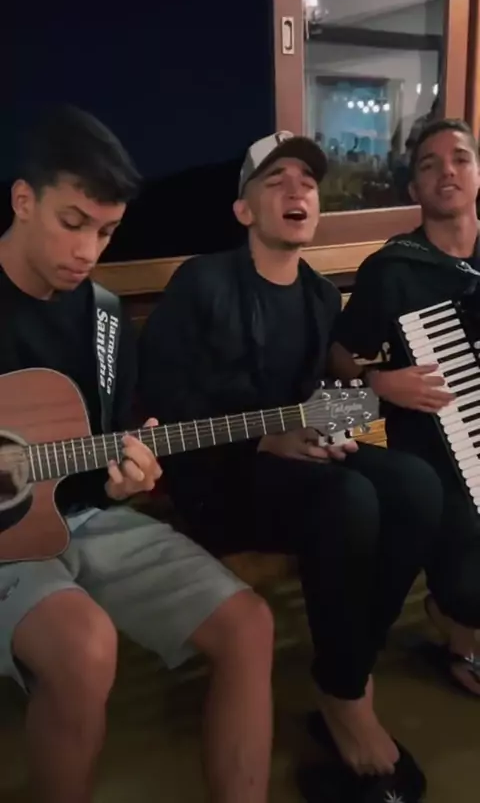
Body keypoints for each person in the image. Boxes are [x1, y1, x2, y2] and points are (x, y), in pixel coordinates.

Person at [138, 130, 443, 795]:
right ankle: (346, 696)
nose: (296, 190)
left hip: (290, 470)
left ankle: (348, 667)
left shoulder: (318, 297)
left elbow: (316, 403)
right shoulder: (203, 282)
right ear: (244, 210)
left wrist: (355, 411)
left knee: (417, 487)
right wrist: (262, 440)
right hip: (212, 479)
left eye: (307, 182)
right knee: (348, 501)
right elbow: (157, 402)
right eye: (275, 181)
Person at [0, 105, 274, 803]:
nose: (88, 250)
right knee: (85, 646)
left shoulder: (104, 318)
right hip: (8, 546)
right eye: (73, 222)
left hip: (85, 520)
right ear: (24, 200)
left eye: (106, 231)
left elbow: (103, 457)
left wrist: (124, 482)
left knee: (249, 626)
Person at [331, 117, 480, 697]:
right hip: (436, 444)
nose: (448, 172)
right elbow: (337, 355)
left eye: (460, 159)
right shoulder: (393, 271)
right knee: (468, 576)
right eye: (429, 164)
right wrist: (378, 383)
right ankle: (458, 620)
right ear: (414, 188)